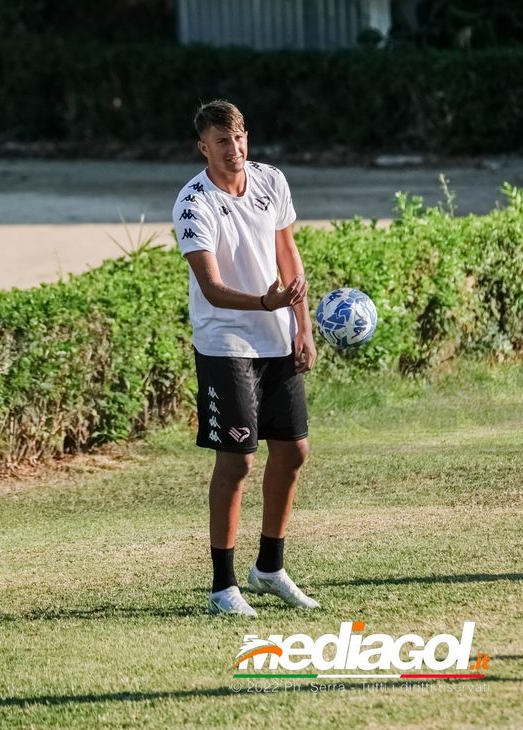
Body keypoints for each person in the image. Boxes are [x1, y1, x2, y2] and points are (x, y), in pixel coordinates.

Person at [172, 99, 319, 617]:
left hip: (277, 334)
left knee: (294, 451)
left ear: (246, 139)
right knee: (237, 461)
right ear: (202, 148)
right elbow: (211, 288)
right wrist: (263, 302)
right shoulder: (193, 204)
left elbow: (287, 254)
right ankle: (222, 586)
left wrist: (302, 324)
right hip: (226, 342)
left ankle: (270, 569)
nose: (232, 151)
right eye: (220, 143)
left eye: (238, 140)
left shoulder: (270, 180)